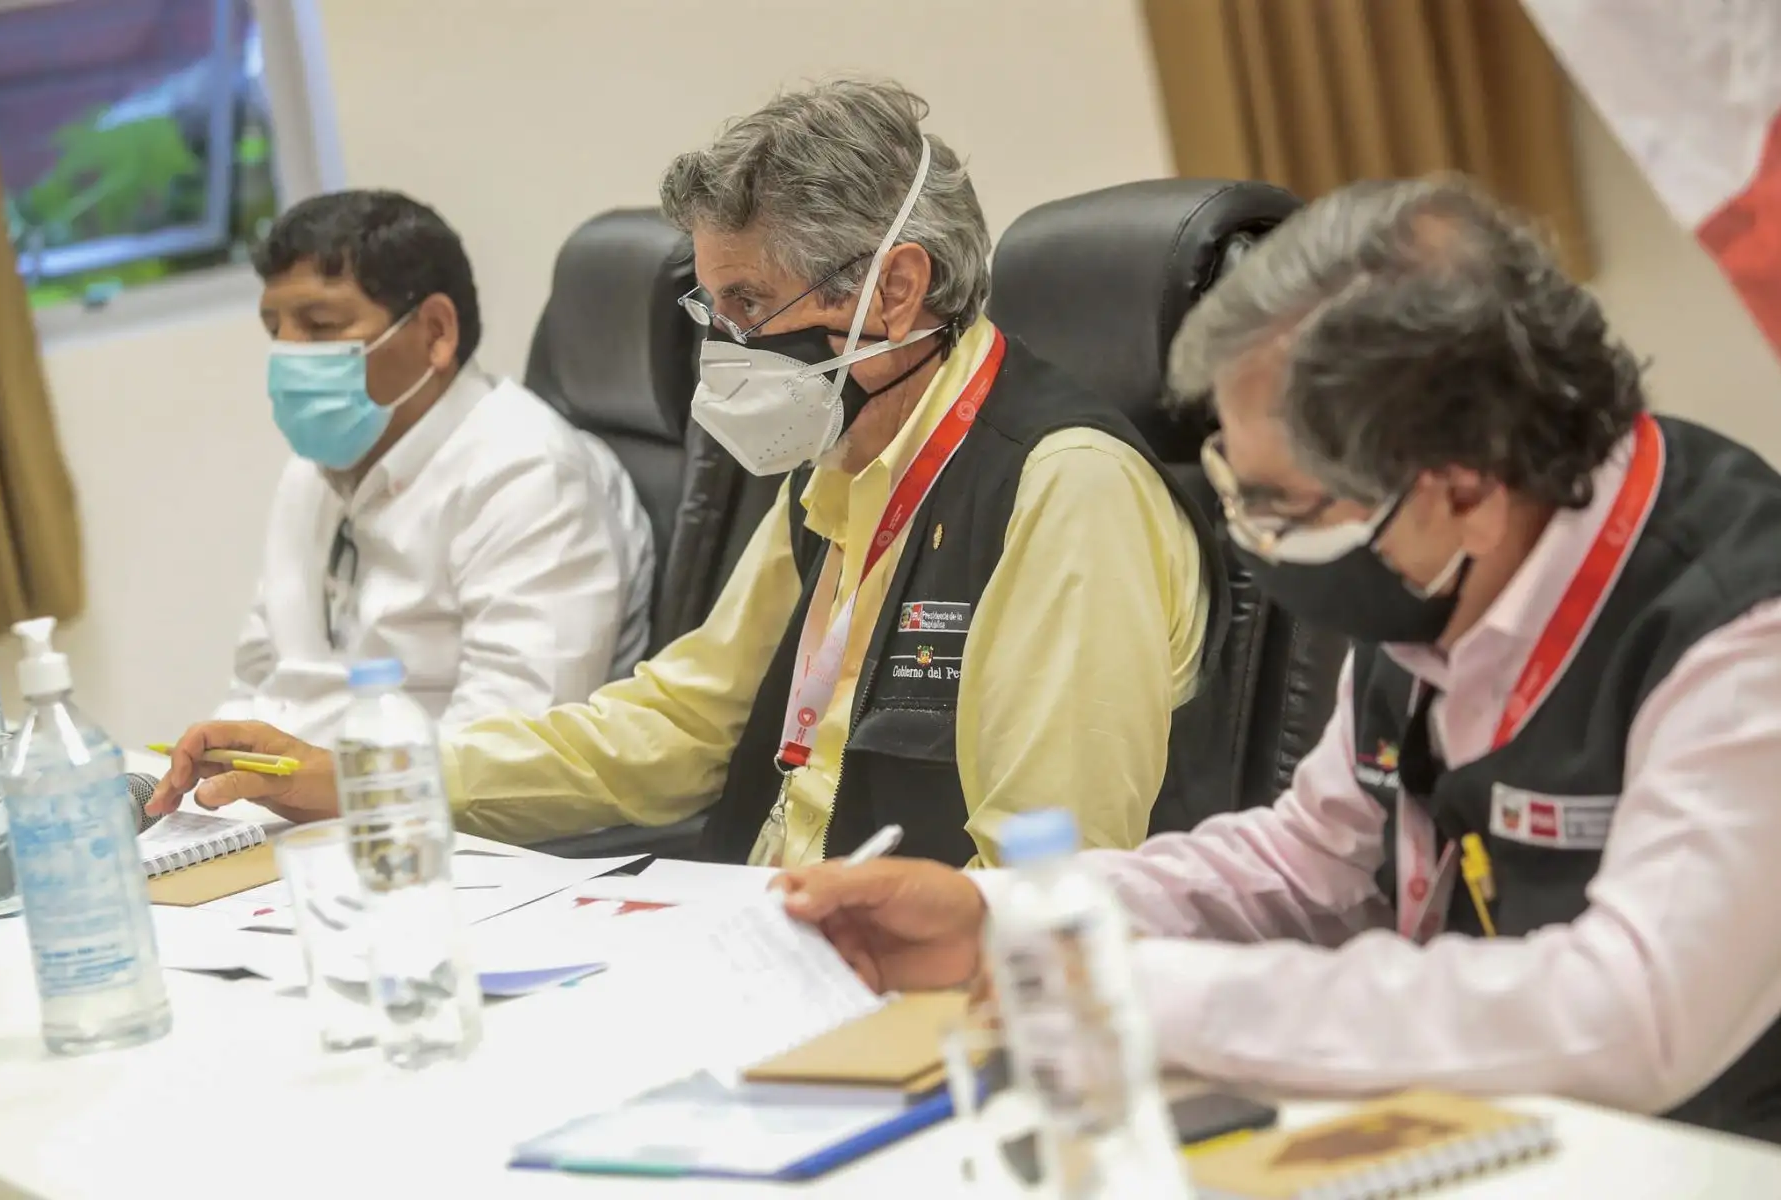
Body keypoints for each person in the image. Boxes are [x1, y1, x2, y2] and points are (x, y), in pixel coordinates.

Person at [777, 176, 1781, 1141]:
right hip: (1493, 1128)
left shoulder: (1737, 631)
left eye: (1284, 509)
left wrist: (1158, 993)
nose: (1253, 542)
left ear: (1464, 486)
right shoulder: (1439, 568)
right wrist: (1019, 920)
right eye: (1235, 488)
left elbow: (1637, 1012)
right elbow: (1308, 860)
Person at [149, 80, 1223, 867]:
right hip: (760, 936)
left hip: (910, 1001)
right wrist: (372, 780)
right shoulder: (843, 465)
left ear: (895, 291)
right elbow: (679, 727)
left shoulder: (1062, 489)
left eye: (750, 305)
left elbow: (1049, 874)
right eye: (716, 310)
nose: (730, 346)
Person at [220, 190, 655, 742]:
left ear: (435, 333)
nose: (288, 354)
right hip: (317, 803)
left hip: (439, 811)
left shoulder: (525, 473)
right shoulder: (311, 474)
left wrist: (316, 792)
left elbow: (505, 750)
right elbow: (262, 683)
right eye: (275, 329)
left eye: (321, 325)